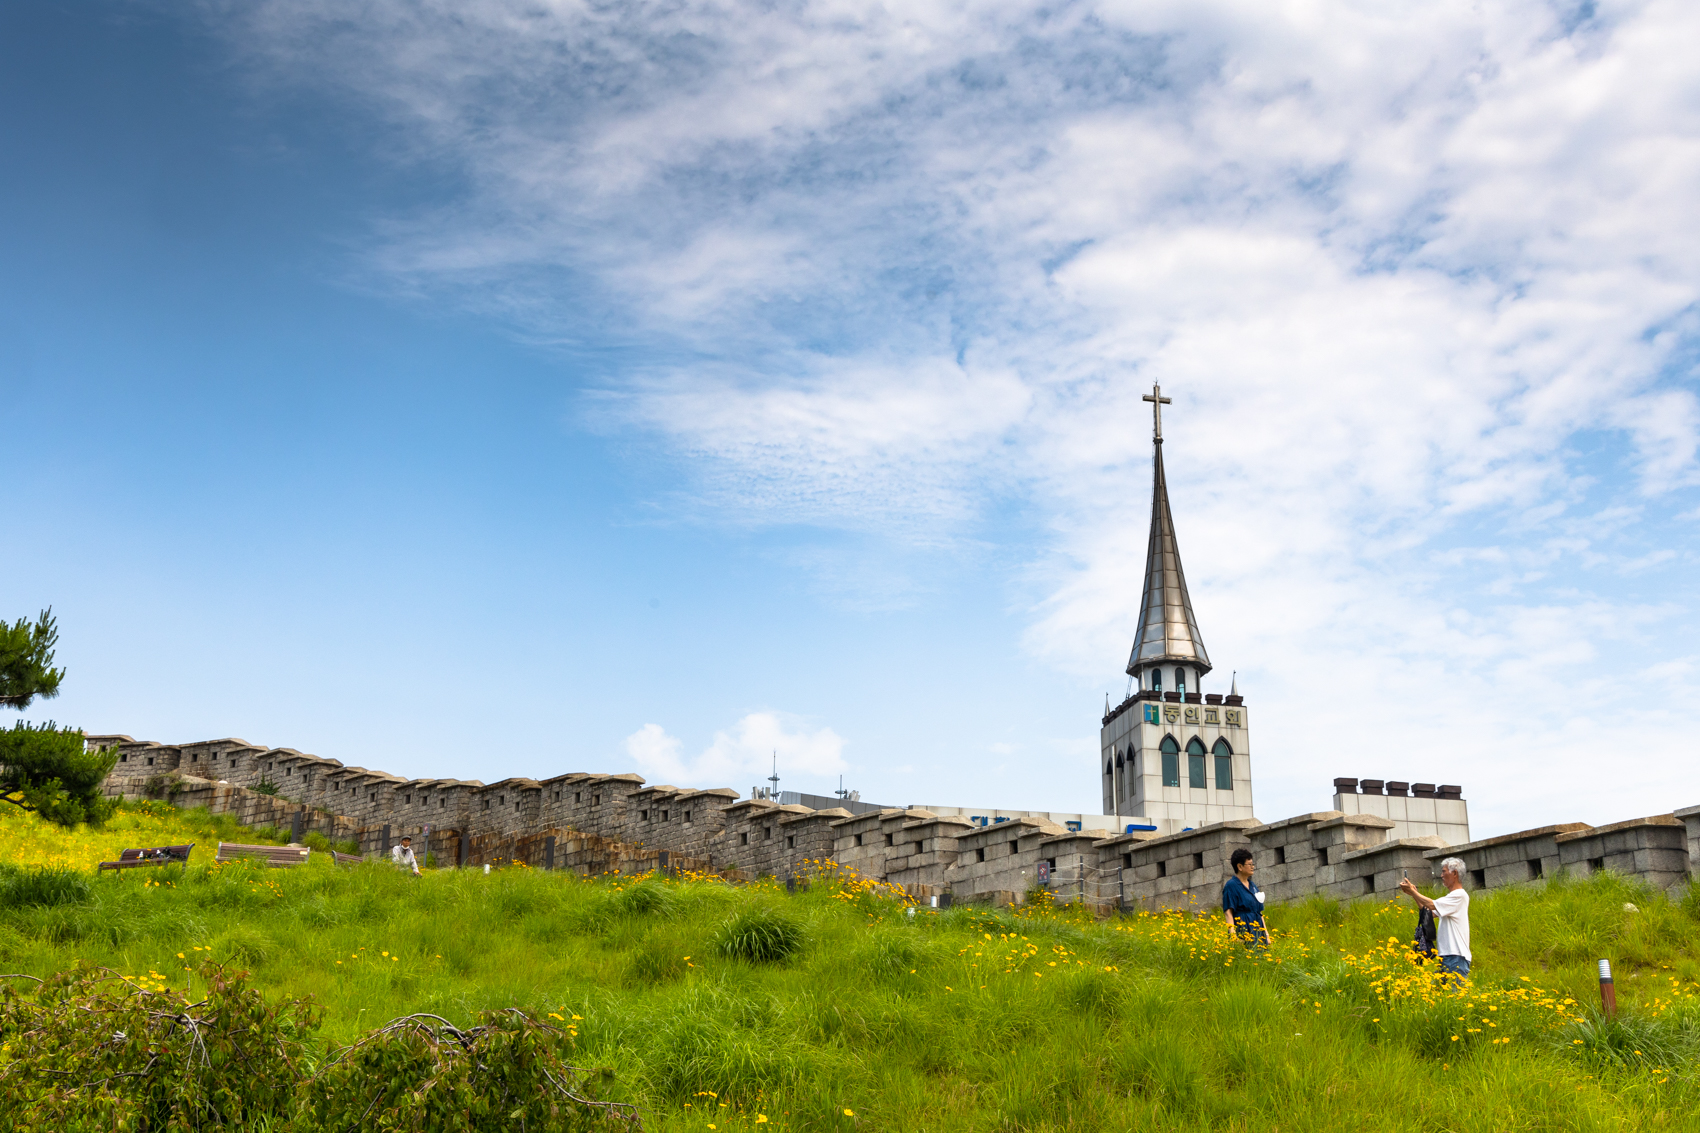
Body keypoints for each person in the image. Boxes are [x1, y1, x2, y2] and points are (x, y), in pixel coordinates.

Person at [1400, 857, 1469, 980]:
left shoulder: (1460, 895)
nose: (1441, 875)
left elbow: (1431, 904)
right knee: (1440, 997)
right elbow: (1429, 912)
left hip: (1456, 957)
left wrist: (1414, 892)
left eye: (1444, 871)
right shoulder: (1451, 897)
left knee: (1453, 998)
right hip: (1446, 957)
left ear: (1454, 873)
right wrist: (1413, 893)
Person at [1222, 848, 1268, 946]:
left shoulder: (1253, 886)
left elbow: (1259, 912)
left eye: (1253, 864)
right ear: (1240, 866)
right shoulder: (1231, 886)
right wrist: (1233, 936)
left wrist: (1266, 935)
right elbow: (1228, 912)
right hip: (1243, 929)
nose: (1252, 867)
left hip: (1258, 929)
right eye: (1249, 864)